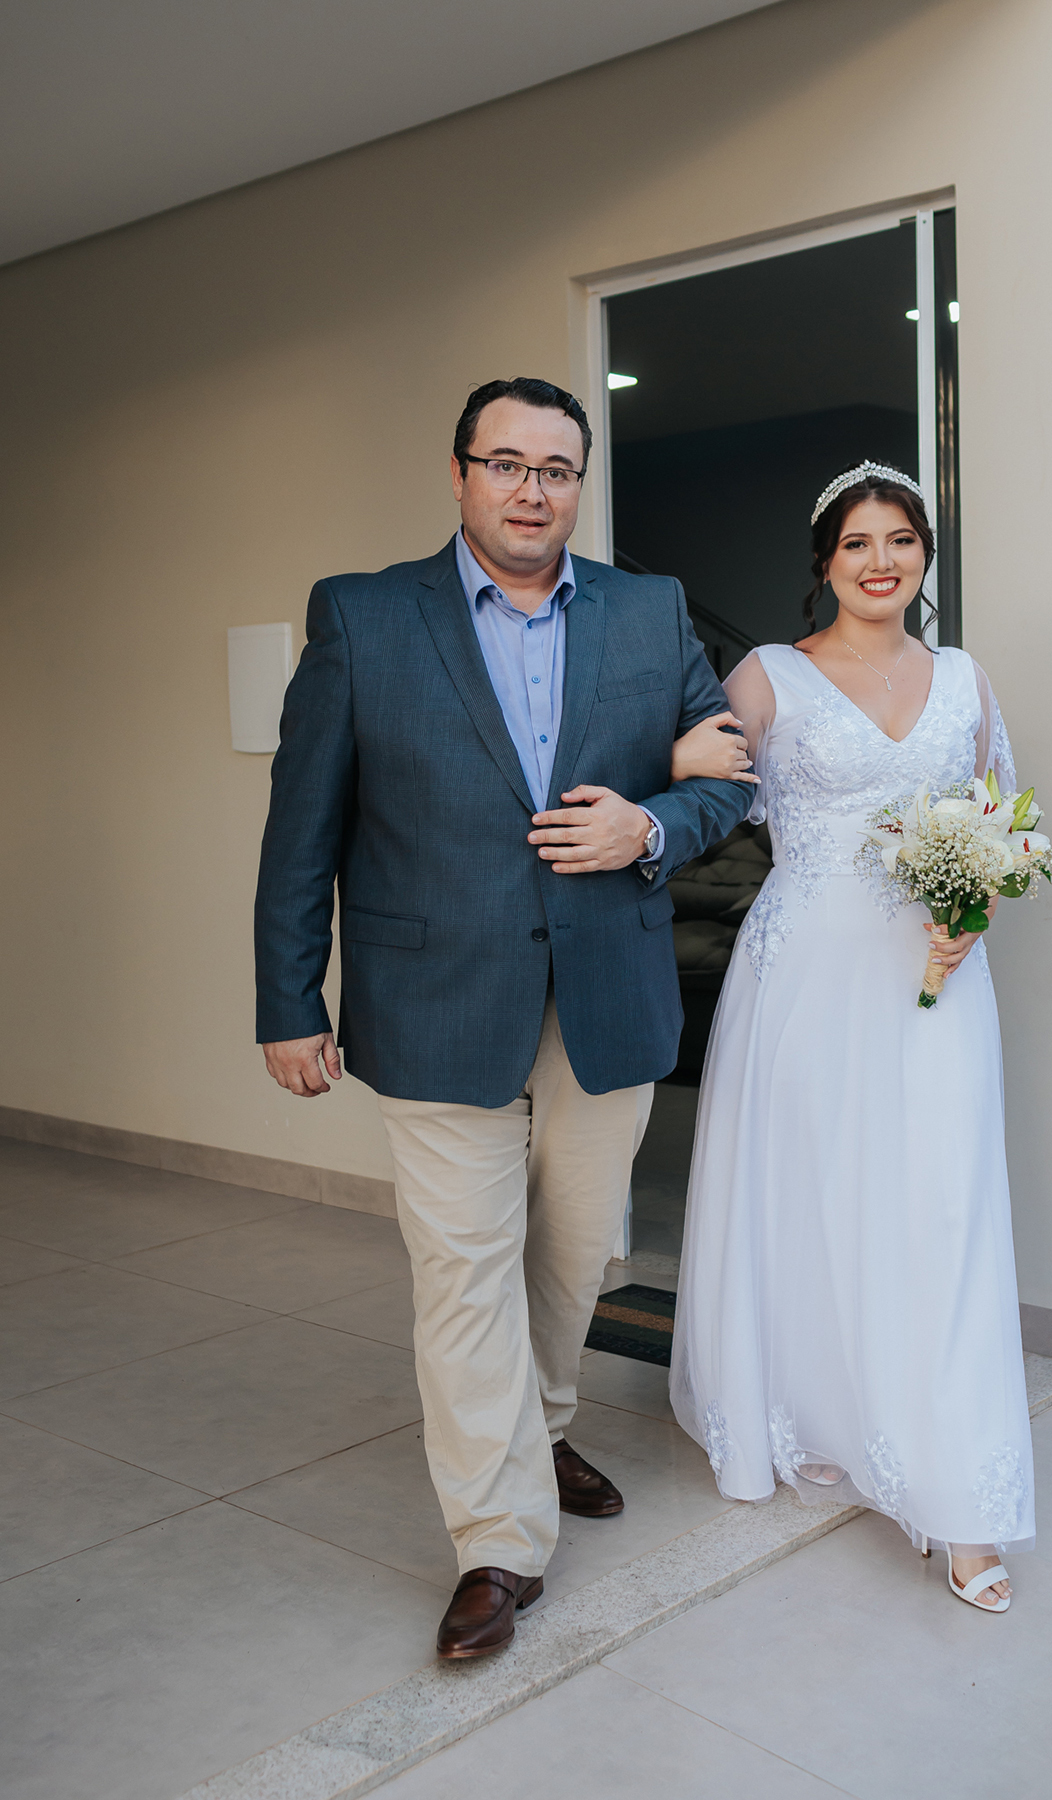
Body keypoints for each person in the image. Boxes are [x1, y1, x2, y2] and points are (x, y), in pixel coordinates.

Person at [254, 377, 754, 1660]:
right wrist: (286, 997)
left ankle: (542, 1424)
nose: (534, 489)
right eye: (509, 463)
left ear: (580, 484)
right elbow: (301, 826)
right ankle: (498, 1541)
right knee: (461, 1270)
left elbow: (727, 781)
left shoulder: (651, 614)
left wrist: (650, 823)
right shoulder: (364, 618)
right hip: (431, 999)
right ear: (462, 473)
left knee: (574, 1254)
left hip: (608, 988)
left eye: (558, 468)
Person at [668, 461, 1034, 1612]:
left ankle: (965, 1505)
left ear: (926, 555)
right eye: (859, 543)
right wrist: (678, 761)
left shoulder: (965, 678)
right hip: (807, 973)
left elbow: (998, 824)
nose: (883, 561)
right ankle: (826, 1414)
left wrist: (973, 908)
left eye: (903, 541)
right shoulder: (772, 674)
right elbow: (696, 783)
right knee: (816, 1197)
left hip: (934, 980)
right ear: (824, 561)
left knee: (946, 1206)